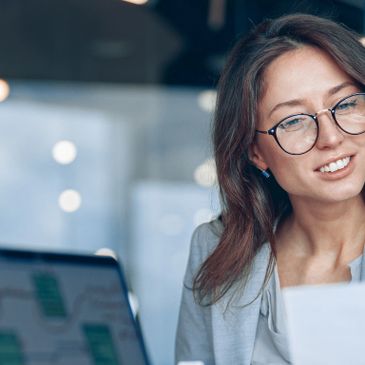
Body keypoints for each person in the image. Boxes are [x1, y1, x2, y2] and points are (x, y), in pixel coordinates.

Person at [175, 13, 365, 365]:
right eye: (293, 121)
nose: (332, 137)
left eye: (346, 104)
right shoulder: (217, 249)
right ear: (256, 152)